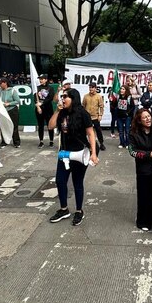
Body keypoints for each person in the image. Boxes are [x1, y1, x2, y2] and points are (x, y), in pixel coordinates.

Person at [48, 88, 99, 226]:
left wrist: (93, 154)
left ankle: (79, 211)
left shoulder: (83, 113)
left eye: (65, 97)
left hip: (79, 154)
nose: (63, 99)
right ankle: (64, 209)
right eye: (62, 96)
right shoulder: (62, 112)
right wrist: (57, 111)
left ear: (73, 98)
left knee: (77, 183)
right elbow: (50, 126)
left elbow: (91, 134)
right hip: (64, 154)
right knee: (60, 181)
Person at [129, 108, 152, 231]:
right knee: (144, 196)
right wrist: (148, 155)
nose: (148, 119)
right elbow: (132, 151)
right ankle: (143, 222)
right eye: (145, 117)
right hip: (143, 170)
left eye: (149, 116)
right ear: (139, 121)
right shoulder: (134, 133)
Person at [82, 82, 105, 151]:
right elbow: (83, 106)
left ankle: (101, 143)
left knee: (98, 130)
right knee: (84, 131)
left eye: (92, 87)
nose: (91, 89)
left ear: (95, 88)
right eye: (90, 87)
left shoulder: (99, 96)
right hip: (87, 117)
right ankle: (85, 143)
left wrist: (100, 115)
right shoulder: (86, 96)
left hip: (95, 117)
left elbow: (101, 107)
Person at [0, 77, 21, 147]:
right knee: (3, 126)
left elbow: (18, 101)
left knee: (14, 126)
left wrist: (9, 104)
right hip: (3, 111)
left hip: (12, 110)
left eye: (0, 83)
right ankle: (4, 142)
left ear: (5, 83)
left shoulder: (12, 90)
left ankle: (16, 142)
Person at [35, 74, 56, 148]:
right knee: (40, 126)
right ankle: (41, 141)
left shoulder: (50, 88)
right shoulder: (37, 88)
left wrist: (42, 103)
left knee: (50, 125)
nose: (41, 80)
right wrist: (38, 107)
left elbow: (50, 98)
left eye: (42, 79)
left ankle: (51, 141)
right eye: (40, 79)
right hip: (39, 109)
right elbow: (35, 98)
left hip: (48, 109)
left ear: (46, 79)